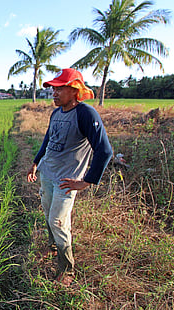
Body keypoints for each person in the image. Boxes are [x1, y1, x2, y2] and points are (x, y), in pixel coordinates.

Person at [27, 68, 113, 287]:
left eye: (60, 89)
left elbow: (104, 151)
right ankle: (52, 247)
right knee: (48, 216)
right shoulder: (56, 113)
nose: (54, 93)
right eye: (53, 89)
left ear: (75, 90)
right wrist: (36, 164)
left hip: (66, 180)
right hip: (48, 173)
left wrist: (87, 181)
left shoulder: (85, 114)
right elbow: (47, 141)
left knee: (58, 221)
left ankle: (67, 269)